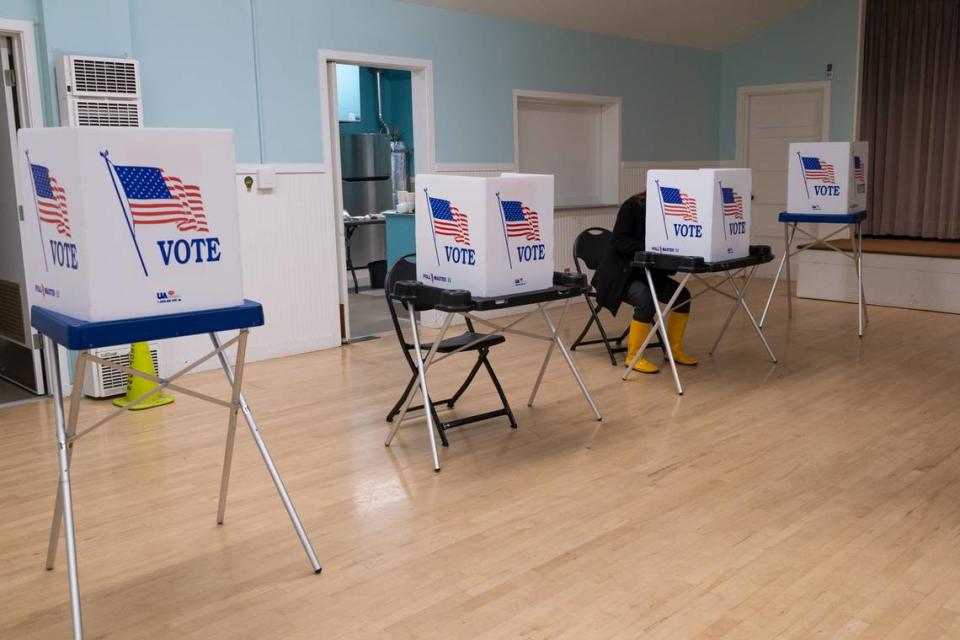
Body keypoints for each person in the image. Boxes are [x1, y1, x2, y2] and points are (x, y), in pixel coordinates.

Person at [592, 192, 697, 374]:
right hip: (621, 275)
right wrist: (651, 247)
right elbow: (619, 241)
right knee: (646, 300)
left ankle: (673, 350)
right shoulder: (632, 206)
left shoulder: (673, 214)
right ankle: (634, 356)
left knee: (682, 296)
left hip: (648, 274)